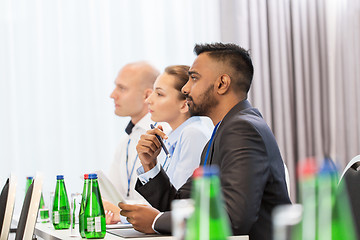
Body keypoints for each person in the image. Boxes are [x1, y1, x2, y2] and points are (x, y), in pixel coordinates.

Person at [118, 43, 291, 240]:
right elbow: (181, 203)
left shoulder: (242, 129)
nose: (185, 88)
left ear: (222, 83)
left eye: (194, 78)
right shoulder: (223, 130)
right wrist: (150, 164)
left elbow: (233, 218)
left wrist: (156, 221)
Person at [105, 65, 212, 224]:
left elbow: (179, 206)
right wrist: (150, 164)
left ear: (184, 104)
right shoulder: (174, 136)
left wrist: (121, 214)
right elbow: (165, 202)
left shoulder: (193, 133)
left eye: (159, 94)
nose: (149, 100)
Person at [107, 61, 160, 203]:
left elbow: (163, 204)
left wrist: (120, 211)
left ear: (147, 95)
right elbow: (111, 195)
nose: (113, 95)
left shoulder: (163, 135)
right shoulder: (126, 140)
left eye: (122, 88)